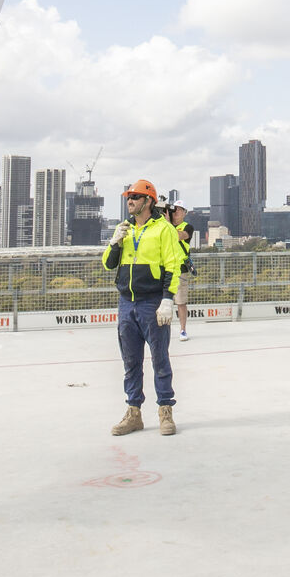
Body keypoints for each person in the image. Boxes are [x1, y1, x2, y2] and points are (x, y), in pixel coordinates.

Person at [103, 180, 181, 436]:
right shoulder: (124, 229)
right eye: (128, 197)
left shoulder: (164, 229)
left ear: (149, 201)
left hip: (152, 302)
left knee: (160, 359)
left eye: (135, 197)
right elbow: (108, 264)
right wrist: (115, 243)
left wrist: (168, 299)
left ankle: (165, 411)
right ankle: (133, 413)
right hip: (127, 302)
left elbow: (172, 265)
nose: (130, 201)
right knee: (131, 361)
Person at [166, 198, 196, 341]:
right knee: (162, 301)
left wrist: (166, 224)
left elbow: (179, 236)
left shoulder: (187, 227)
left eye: (179, 210)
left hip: (180, 269)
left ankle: (183, 330)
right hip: (165, 268)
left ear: (184, 213)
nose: (176, 212)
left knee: (181, 301)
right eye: (174, 210)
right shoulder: (165, 225)